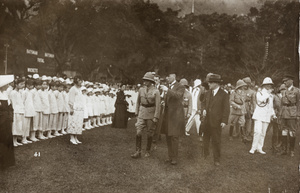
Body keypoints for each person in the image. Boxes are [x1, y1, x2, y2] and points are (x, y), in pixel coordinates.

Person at [202, 73, 230, 166]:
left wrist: (224, 121)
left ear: (216, 83)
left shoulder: (224, 94)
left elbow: (226, 109)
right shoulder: (207, 93)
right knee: (205, 139)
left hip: (216, 122)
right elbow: (203, 104)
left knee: (216, 141)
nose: (208, 84)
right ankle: (205, 154)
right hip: (206, 121)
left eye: (210, 83)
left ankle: (216, 159)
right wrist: (204, 110)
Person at [131, 72, 161, 158]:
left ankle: (148, 150)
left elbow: (158, 105)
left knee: (150, 133)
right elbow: (138, 102)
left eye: (147, 81)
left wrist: (156, 116)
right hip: (142, 112)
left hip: (151, 114)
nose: (145, 82)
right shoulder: (141, 90)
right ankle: (138, 151)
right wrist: (136, 112)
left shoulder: (156, 91)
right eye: (144, 80)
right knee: (138, 132)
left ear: (151, 81)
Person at [160, 72, 185, 165]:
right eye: (167, 76)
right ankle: (170, 156)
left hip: (176, 116)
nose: (167, 78)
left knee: (174, 136)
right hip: (168, 115)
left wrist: (167, 90)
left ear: (174, 77)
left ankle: (174, 158)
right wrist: (164, 102)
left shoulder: (180, 86)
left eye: (169, 76)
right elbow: (168, 99)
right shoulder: (168, 86)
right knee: (168, 136)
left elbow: (178, 95)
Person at [249, 77, 275, 155]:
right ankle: (253, 148)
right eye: (267, 85)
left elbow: (270, 106)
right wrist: (268, 94)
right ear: (264, 85)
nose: (269, 86)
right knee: (257, 131)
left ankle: (259, 148)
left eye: (270, 85)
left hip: (266, 115)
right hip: (259, 115)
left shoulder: (270, 95)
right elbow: (260, 100)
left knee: (263, 133)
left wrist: (273, 114)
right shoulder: (259, 93)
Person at [279, 75, 300, 157]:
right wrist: (280, 114)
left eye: (286, 81)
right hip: (284, 113)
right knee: (284, 131)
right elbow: (281, 104)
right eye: (284, 81)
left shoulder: (297, 91)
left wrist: (298, 114)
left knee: (292, 132)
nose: (284, 82)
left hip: (292, 113)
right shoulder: (283, 91)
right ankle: (284, 149)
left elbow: (298, 103)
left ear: (291, 81)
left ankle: (291, 150)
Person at [0, 75, 15, 170]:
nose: (8, 86)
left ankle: (6, 162)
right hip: (1, 120)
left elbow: (9, 107)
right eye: (6, 84)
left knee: (6, 139)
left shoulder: (5, 94)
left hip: (5, 121)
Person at [67, 76, 85, 145]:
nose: (80, 82)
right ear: (75, 81)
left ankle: (76, 137)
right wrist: (71, 108)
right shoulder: (73, 89)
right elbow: (71, 100)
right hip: (74, 108)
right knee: (73, 122)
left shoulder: (80, 89)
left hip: (80, 108)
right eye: (79, 80)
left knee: (78, 123)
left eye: (81, 80)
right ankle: (72, 137)